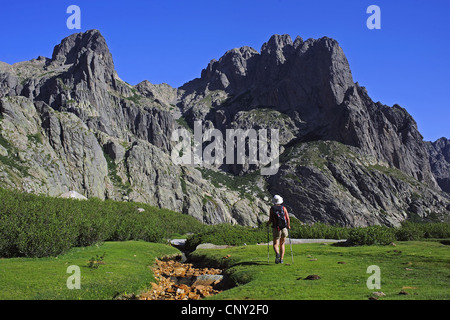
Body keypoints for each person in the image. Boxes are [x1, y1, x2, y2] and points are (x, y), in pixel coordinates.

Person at [267, 195, 290, 264]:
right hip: (284, 228)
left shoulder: (272, 208)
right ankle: (281, 259)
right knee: (282, 244)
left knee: (275, 244)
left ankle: (277, 253)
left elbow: (270, 219)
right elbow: (288, 218)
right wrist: (288, 226)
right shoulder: (283, 208)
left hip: (276, 228)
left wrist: (267, 224)